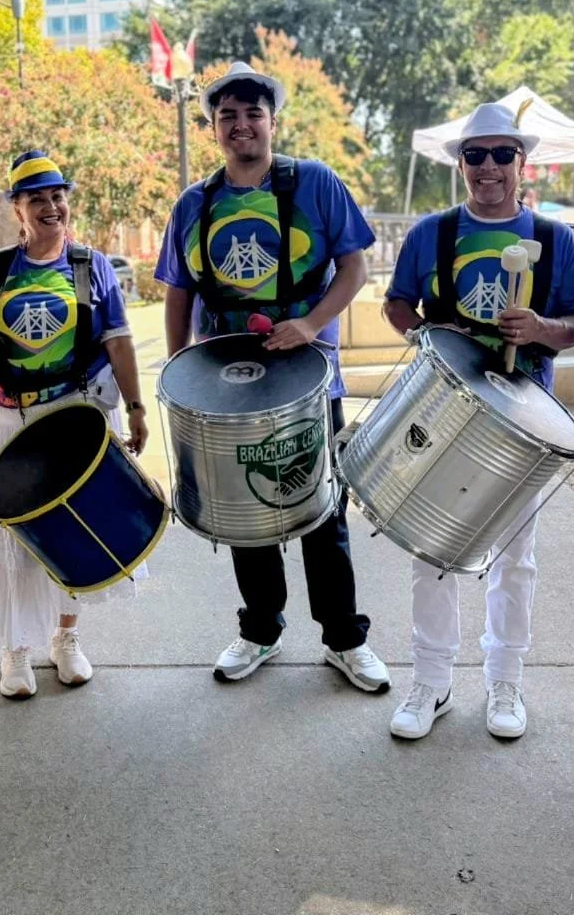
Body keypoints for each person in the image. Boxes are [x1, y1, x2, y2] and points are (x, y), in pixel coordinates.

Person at [156, 61, 389, 693]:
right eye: (227, 116)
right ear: (213, 129)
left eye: (252, 113)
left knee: (320, 503)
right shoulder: (194, 204)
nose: (241, 125)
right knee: (242, 507)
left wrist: (311, 324)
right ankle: (260, 627)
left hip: (307, 373)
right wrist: (180, 378)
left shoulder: (315, 183)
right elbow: (177, 293)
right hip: (226, 376)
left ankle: (345, 637)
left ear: (272, 122)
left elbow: (353, 268)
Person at [382, 102, 574, 740]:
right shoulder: (432, 234)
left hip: (524, 419)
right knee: (433, 548)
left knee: (515, 556)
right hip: (445, 414)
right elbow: (396, 304)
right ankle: (432, 680)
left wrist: (540, 329)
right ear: (461, 165)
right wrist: (427, 329)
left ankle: (506, 681)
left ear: (521, 163)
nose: (489, 167)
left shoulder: (554, 240)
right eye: (476, 156)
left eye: (503, 154)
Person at [0, 150, 150, 699]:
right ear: (16, 208)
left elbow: (118, 341)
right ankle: (14, 649)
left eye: (57, 196)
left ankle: (66, 639)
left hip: (76, 415)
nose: (51, 206)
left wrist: (135, 408)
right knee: (16, 533)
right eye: (36, 198)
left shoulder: (91, 268)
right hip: (10, 417)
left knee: (72, 528)